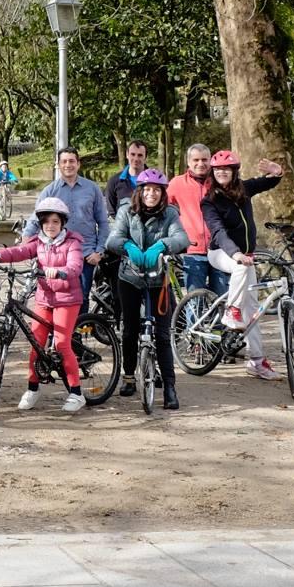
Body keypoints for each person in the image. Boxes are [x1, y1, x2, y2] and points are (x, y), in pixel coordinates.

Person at [0, 195, 87, 413]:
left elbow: (75, 266)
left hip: (67, 299)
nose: (50, 226)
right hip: (44, 298)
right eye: (46, 222)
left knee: (62, 345)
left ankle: (76, 393)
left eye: (55, 221)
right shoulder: (38, 242)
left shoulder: (73, 243)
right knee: (36, 344)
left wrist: (61, 271)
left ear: (62, 222)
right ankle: (32, 389)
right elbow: (18, 252)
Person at [105, 169, 188, 409]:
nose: (151, 194)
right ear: (139, 192)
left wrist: (163, 244)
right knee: (130, 330)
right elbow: (112, 239)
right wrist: (127, 245)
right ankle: (129, 376)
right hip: (129, 277)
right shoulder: (126, 211)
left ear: (162, 193)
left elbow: (182, 238)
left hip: (158, 279)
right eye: (147, 190)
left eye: (156, 190)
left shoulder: (170, 214)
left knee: (162, 334)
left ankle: (170, 388)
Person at [200, 150, 286, 380]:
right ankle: (231, 310)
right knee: (241, 270)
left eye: (226, 170)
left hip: (246, 256)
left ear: (234, 172)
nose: (221, 173)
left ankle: (256, 361)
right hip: (221, 252)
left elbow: (268, 182)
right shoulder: (209, 202)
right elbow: (218, 231)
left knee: (253, 312)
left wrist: (277, 172)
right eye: (217, 170)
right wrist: (236, 253)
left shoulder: (243, 190)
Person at [22, 147, 110, 302]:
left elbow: (103, 222)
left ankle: (81, 326)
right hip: (57, 253)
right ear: (58, 164)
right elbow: (36, 218)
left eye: (71, 161)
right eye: (64, 161)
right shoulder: (50, 191)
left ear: (78, 164)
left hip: (86, 253)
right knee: (57, 297)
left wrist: (99, 251)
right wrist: (25, 241)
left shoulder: (92, 189)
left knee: (81, 298)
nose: (68, 165)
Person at [167, 144, 222, 296]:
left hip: (220, 249)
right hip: (193, 251)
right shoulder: (177, 183)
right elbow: (164, 209)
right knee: (194, 301)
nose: (200, 164)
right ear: (188, 162)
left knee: (222, 300)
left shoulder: (220, 181)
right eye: (196, 160)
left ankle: (218, 321)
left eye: (204, 159)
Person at [104, 141, 150, 219]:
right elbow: (112, 211)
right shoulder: (114, 181)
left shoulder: (154, 182)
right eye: (133, 154)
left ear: (145, 157)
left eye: (140, 155)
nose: (136, 158)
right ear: (127, 155)